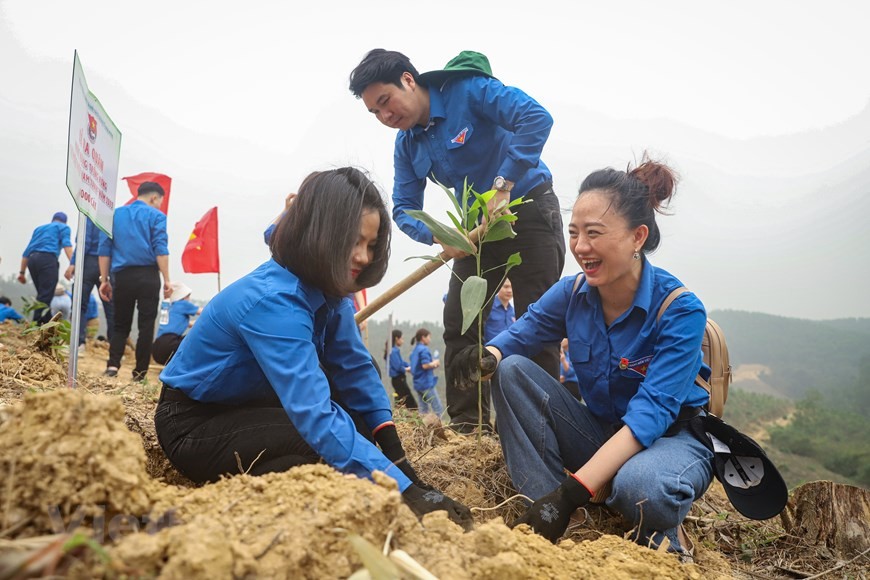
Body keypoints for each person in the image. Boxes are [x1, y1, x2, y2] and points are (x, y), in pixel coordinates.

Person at [154, 167, 472, 529]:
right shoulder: (274, 303)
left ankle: (292, 475)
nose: (364, 257)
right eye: (354, 242)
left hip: (251, 408)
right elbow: (315, 416)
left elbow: (355, 370)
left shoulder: (325, 287)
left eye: (369, 244)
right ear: (323, 233)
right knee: (320, 446)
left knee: (351, 425)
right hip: (196, 425)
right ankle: (272, 486)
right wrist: (403, 491)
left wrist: (401, 465)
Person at [450, 157, 714, 556]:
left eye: (594, 233)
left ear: (637, 237)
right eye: (574, 233)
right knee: (513, 370)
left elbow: (651, 416)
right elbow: (522, 334)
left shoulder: (679, 311)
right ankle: (553, 509)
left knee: (641, 489)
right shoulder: (573, 293)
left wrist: (573, 490)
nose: (580, 247)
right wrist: (485, 355)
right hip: (602, 432)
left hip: (671, 439)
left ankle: (636, 518)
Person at [349, 49, 565, 433]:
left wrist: (503, 184)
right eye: (375, 113)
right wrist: (439, 237)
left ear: (409, 80)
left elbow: (536, 118)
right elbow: (403, 208)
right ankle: (469, 427)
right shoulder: (407, 144)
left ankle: (541, 425)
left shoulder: (469, 91)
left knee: (537, 317)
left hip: (528, 208)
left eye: (385, 102)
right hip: (476, 235)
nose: (385, 117)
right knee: (461, 324)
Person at [99, 181, 171, 381]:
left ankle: (112, 366)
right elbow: (160, 249)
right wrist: (167, 279)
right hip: (148, 276)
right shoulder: (157, 216)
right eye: (159, 202)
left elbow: (104, 250)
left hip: (122, 276)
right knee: (146, 325)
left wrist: (104, 280)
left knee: (120, 324)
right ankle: (140, 373)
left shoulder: (115, 215)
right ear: (154, 198)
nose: (158, 206)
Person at [65, 216, 115, 347]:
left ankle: (78, 343)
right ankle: (114, 345)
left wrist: (73, 263)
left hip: (87, 263)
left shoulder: (89, 215)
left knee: (79, 305)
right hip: (106, 263)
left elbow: (83, 241)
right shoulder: (110, 217)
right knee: (110, 306)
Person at [18, 212, 73, 324]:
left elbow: (26, 252)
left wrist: (22, 273)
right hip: (47, 260)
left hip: (32, 260)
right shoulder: (64, 227)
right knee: (46, 295)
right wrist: (73, 264)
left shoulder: (39, 229)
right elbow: (67, 244)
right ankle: (39, 325)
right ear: (65, 221)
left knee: (43, 294)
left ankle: (47, 322)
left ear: (53, 219)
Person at [152, 282, 202, 366]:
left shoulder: (168, 307)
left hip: (156, 348)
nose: (189, 299)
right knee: (195, 339)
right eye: (188, 296)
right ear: (183, 296)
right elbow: (205, 312)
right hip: (169, 344)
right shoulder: (182, 304)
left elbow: (190, 324)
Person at [409, 328, 443, 417]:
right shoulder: (424, 349)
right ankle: (438, 429)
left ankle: (423, 429)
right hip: (426, 383)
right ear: (423, 337)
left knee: (423, 410)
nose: (429, 339)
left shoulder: (415, 350)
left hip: (417, 384)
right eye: (429, 337)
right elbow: (425, 365)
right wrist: (435, 363)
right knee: (438, 408)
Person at [387, 329, 417, 410]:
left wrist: (409, 365)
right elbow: (398, 366)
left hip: (399, 379)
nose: (403, 341)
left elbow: (401, 362)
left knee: (399, 399)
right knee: (408, 399)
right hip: (398, 379)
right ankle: (414, 413)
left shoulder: (395, 350)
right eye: (402, 338)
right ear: (397, 338)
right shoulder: (393, 351)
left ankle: (398, 414)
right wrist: (407, 369)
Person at [483, 279, 515, 343]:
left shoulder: (512, 310)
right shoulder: (488, 306)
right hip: (489, 349)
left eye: (512, 287)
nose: (509, 290)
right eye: (506, 287)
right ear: (499, 287)